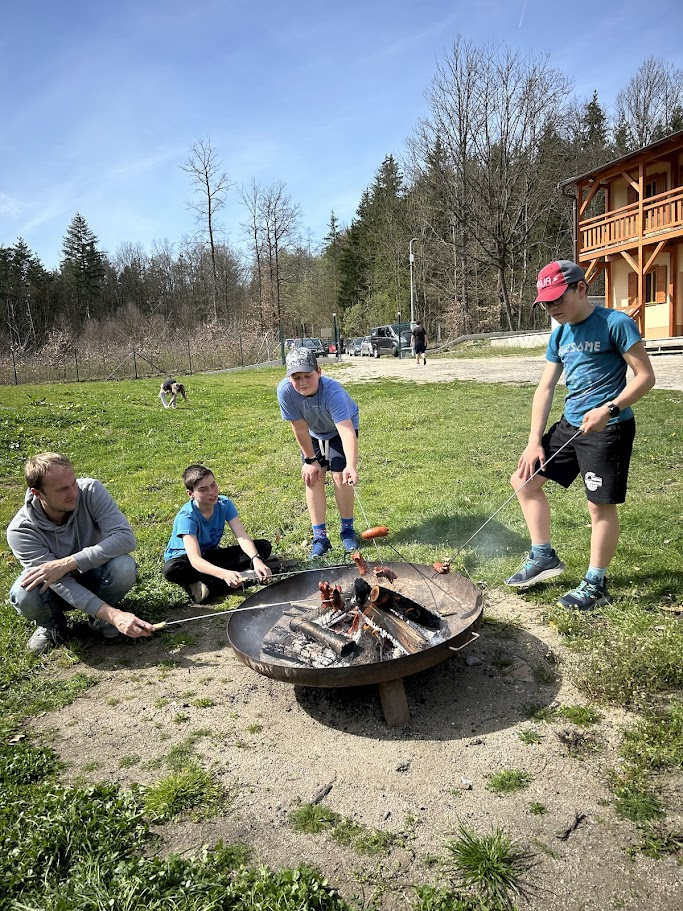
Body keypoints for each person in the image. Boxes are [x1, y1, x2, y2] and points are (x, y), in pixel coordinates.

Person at [505, 260, 655, 610]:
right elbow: (545, 389)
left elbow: (645, 377)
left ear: (581, 289)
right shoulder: (559, 334)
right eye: (546, 302)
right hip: (570, 426)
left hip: (609, 429)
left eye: (557, 299)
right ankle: (544, 557)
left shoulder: (615, 324)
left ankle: (596, 582)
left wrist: (610, 409)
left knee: (598, 506)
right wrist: (533, 442)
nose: (552, 308)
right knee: (524, 481)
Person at [7, 453, 154, 654]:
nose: (73, 493)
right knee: (24, 592)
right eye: (61, 490)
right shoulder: (21, 530)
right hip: (55, 592)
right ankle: (52, 626)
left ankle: (99, 618)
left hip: (94, 574)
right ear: (38, 493)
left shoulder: (91, 490)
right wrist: (114, 615)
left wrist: (68, 563)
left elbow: (125, 538)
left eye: (73, 483)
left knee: (123, 566)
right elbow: (57, 581)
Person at [277, 347, 360, 558]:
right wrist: (310, 459)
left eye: (308, 375)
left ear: (319, 372)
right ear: (289, 377)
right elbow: (299, 427)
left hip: (339, 429)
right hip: (312, 431)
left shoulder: (333, 392)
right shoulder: (285, 391)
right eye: (296, 377)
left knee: (340, 476)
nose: (303, 382)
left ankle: (347, 530)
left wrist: (351, 465)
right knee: (313, 476)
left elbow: (346, 430)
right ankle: (320, 537)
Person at [163, 464, 273, 604]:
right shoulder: (187, 516)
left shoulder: (224, 503)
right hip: (186, 561)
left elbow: (242, 536)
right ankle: (241, 578)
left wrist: (256, 559)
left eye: (213, 485)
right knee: (171, 570)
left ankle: (208, 587)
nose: (212, 492)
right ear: (191, 494)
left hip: (210, 555)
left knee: (263, 547)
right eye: (203, 489)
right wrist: (224, 574)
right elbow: (195, 560)